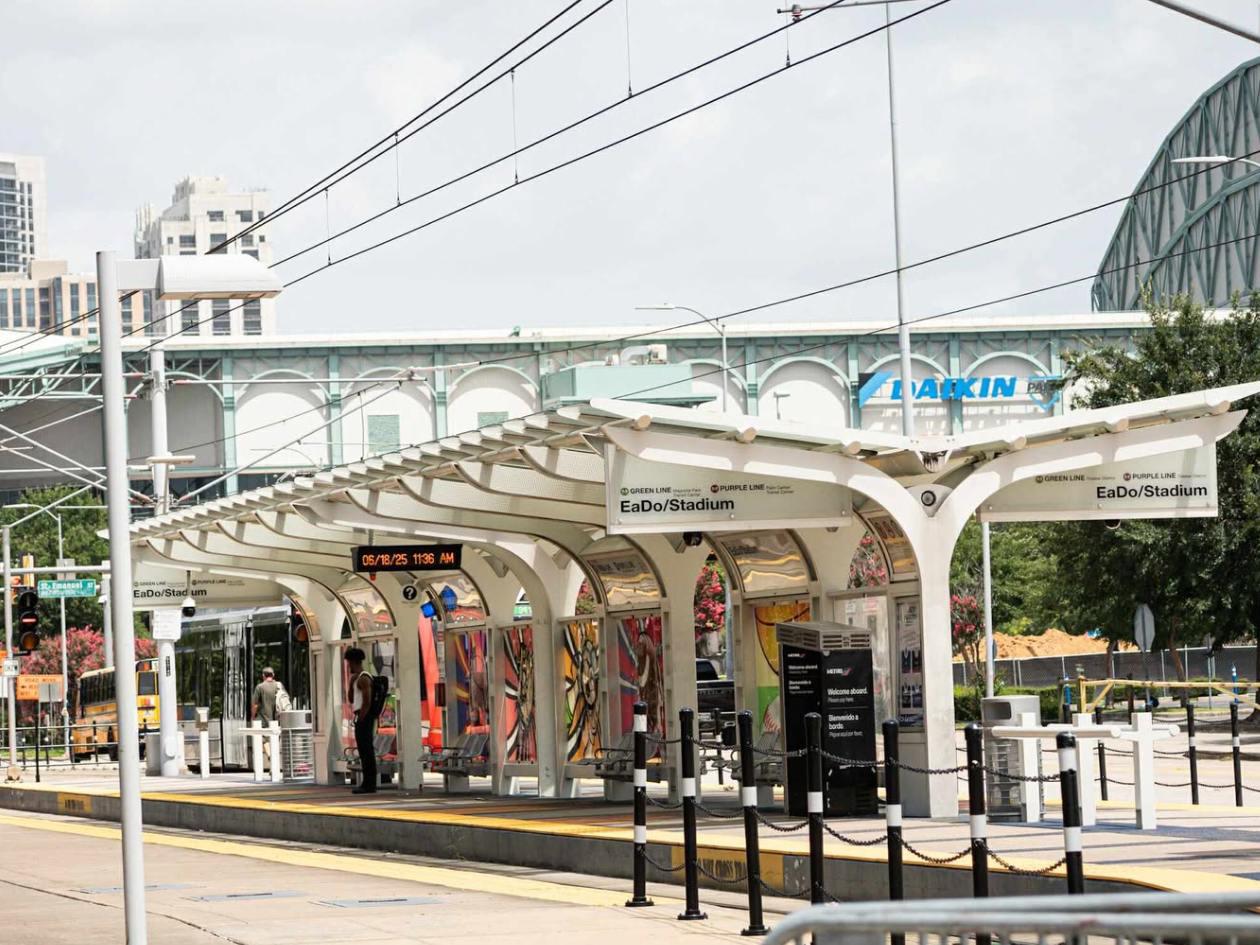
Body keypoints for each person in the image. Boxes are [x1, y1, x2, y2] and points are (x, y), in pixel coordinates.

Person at [345, 647, 376, 794]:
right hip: (359, 715)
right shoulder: (356, 678)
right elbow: (351, 699)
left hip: (364, 717)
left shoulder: (364, 678)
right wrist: (350, 684)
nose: (348, 666)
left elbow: (367, 701)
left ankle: (370, 783)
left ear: (353, 662)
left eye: (349, 663)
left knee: (367, 750)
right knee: (363, 751)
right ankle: (367, 782)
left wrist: (361, 719)